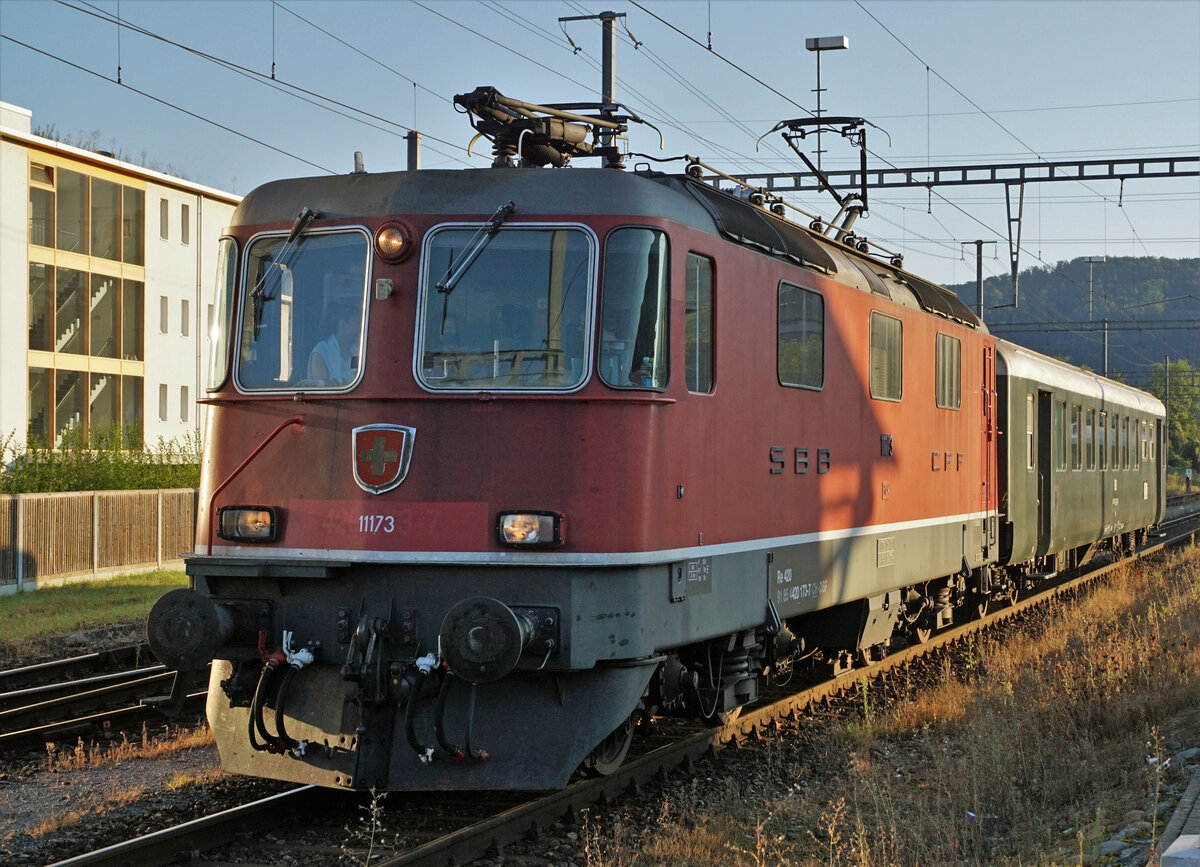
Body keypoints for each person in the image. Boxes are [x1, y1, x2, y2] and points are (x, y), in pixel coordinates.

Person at [309, 310, 359, 384]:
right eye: (356, 323)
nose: (359, 329)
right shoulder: (321, 352)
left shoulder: (356, 351)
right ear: (343, 324)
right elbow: (323, 387)